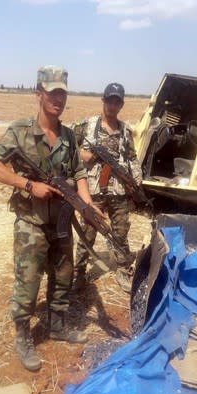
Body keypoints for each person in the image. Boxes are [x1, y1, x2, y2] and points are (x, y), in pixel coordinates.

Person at [0, 66, 99, 372]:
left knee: (63, 275)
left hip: (61, 220)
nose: (57, 99)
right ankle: (23, 334)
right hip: (31, 223)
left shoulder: (69, 136)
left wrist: (88, 205)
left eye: (62, 93)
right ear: (39, 95)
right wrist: (28, 185)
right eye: (51, 93)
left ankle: (57, 324)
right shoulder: (20, 131)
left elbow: (79, 173)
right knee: (28, 281)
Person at [72, 82, 142, 293]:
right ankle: (80, 273)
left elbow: (132, 158)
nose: (112, 105)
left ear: (121, 104)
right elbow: (65, 149)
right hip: (92, 191)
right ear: (103, 100)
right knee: (88, 233)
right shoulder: (85, 126)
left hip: (118, 192)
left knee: (120, 232)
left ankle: (123, 270)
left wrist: (136, 180)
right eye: (109, 100)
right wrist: (81, 155)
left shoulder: (125, 131)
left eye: (117, 102)